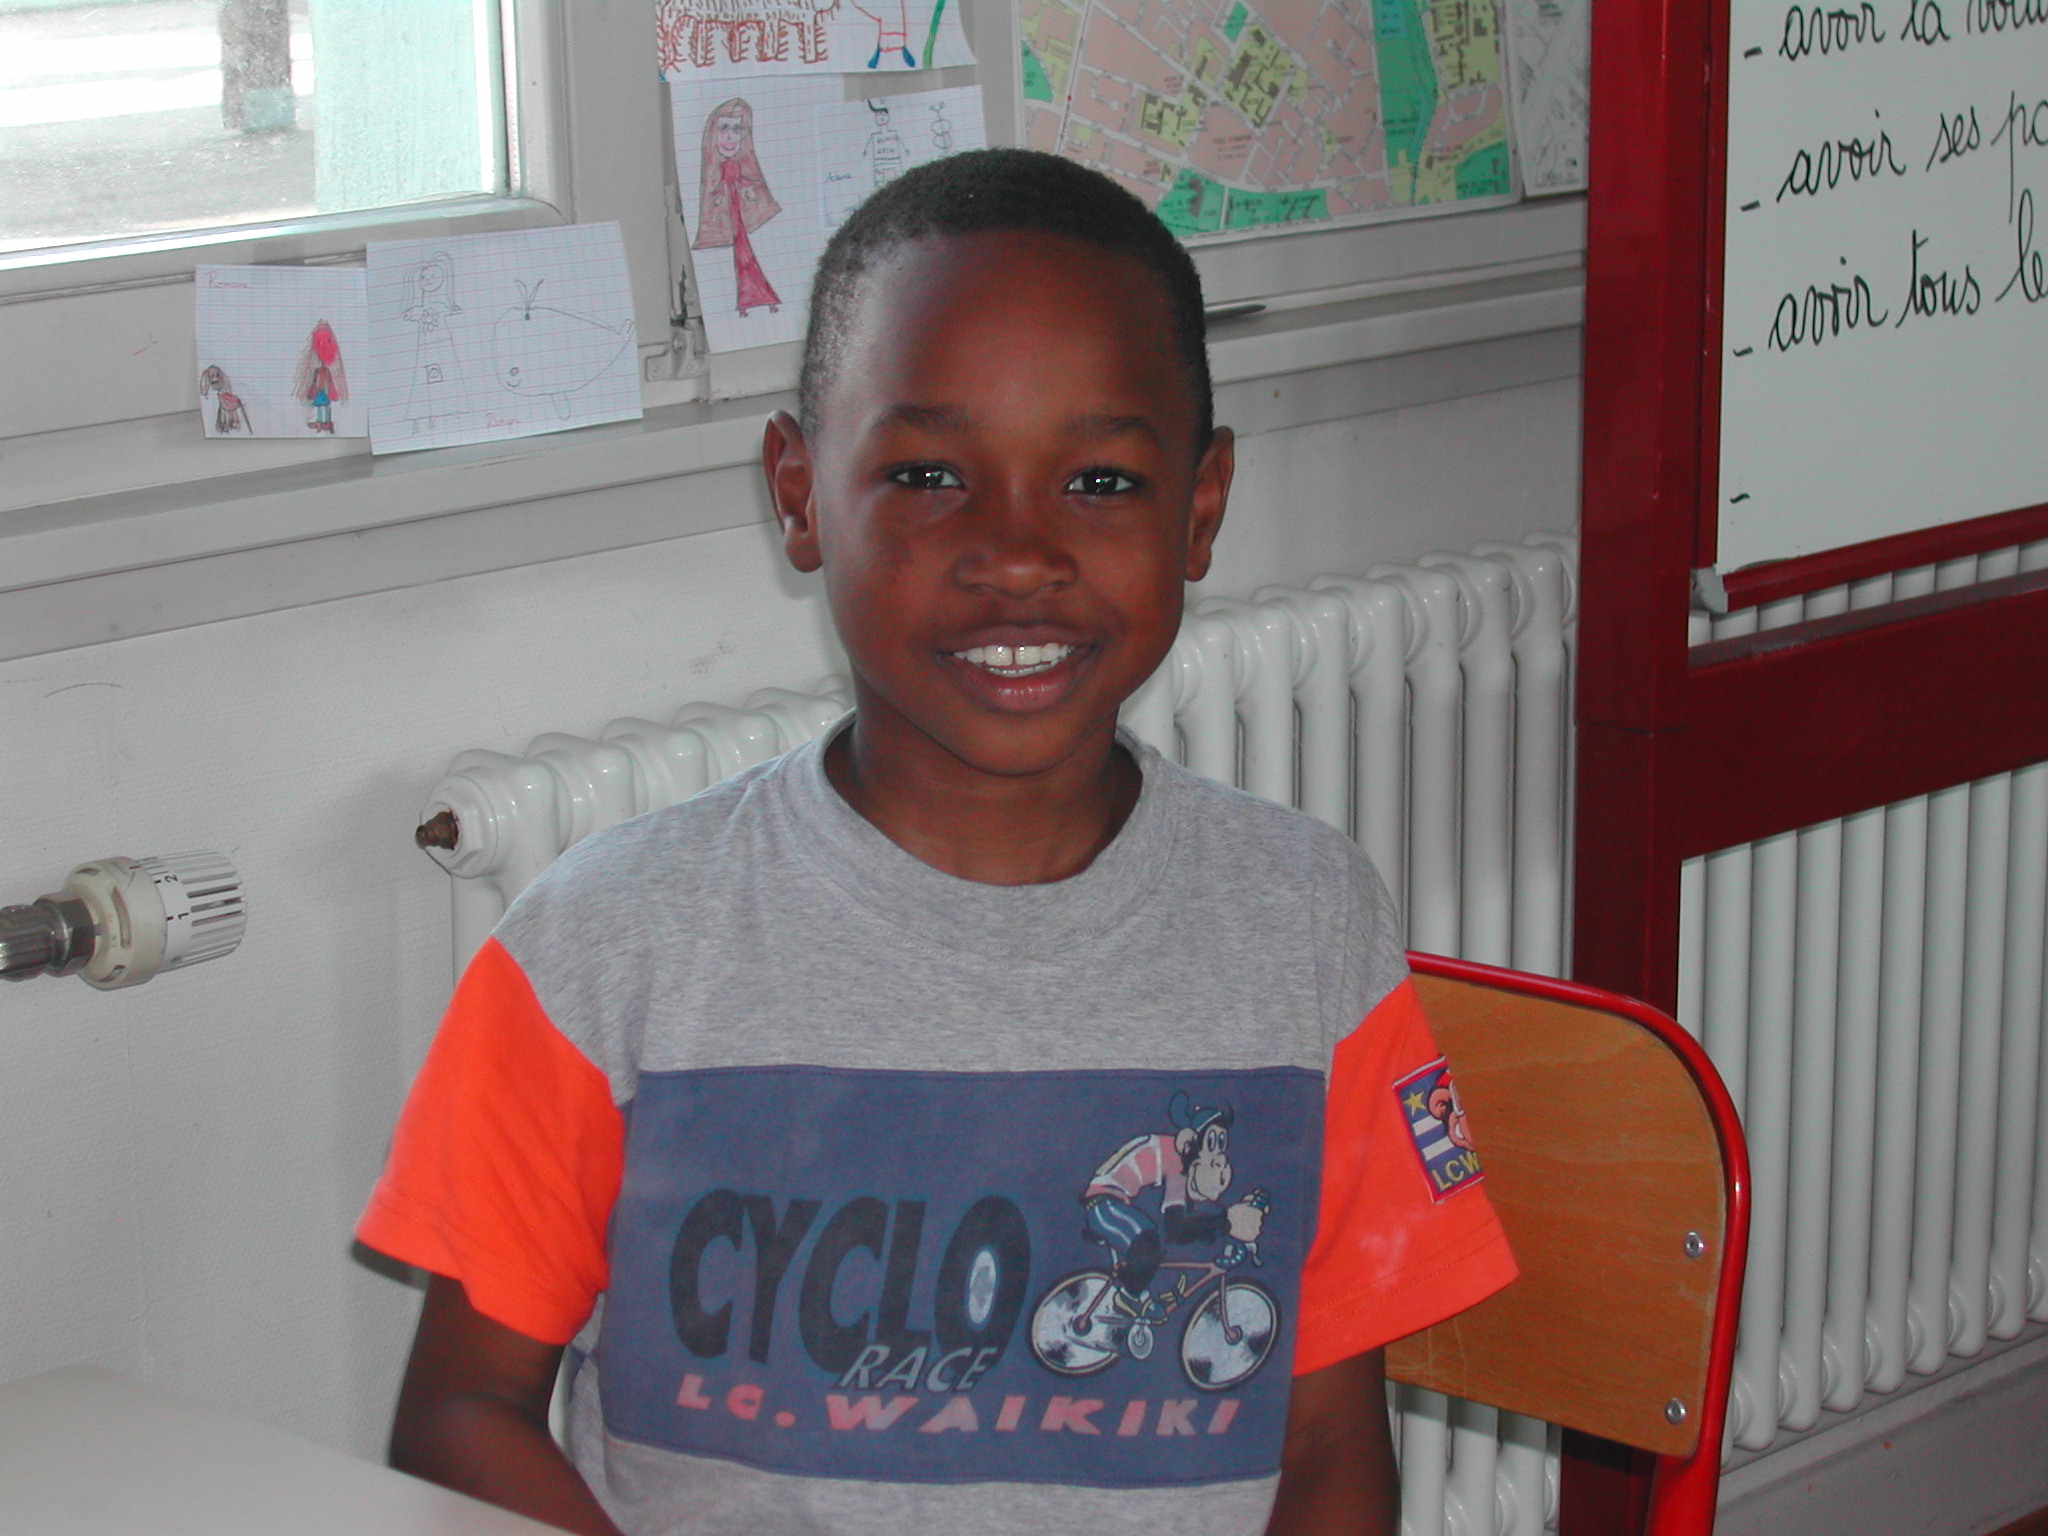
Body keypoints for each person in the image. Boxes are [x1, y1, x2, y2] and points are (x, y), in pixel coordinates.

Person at [358, 148, 1517, 1536]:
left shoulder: (1305, 924)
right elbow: (461, 1413)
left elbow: (1332, 1443)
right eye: (926, 473)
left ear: (1201, 509)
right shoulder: (604, 945)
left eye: (1099, 480)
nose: (1017, 552)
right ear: (800, 494)